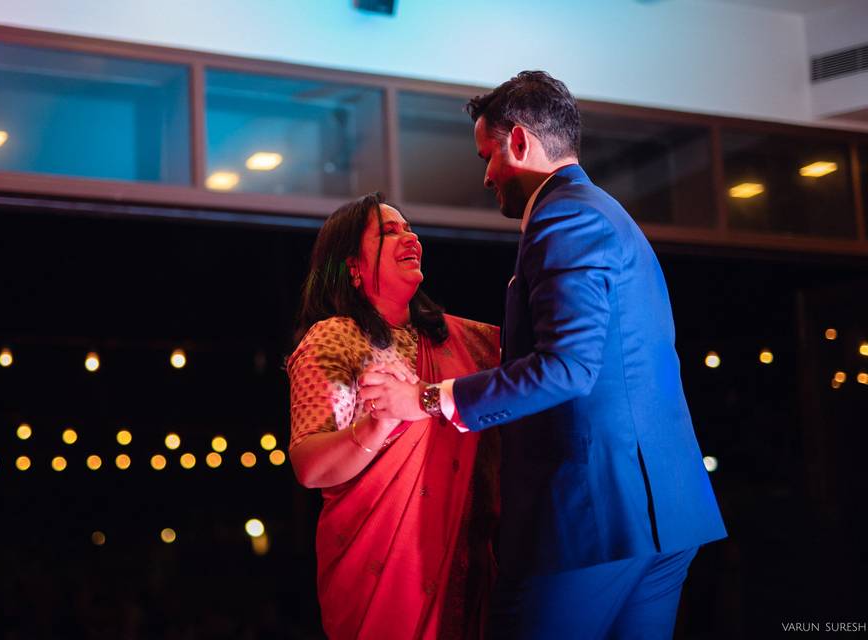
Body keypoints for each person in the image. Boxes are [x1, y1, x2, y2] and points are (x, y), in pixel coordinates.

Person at [358, 71, 727, 639]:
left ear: (521, 142)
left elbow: (566, 367)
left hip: (591, 519)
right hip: (666, 516)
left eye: (488, 155)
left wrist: (427, 397)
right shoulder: (609, 214)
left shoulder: (564, 217)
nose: (487, 175)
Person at [286, 192, 501, 639]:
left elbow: (534, 376)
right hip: (381, 569)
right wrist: (377, 425)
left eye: (408, 227)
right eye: (389, 231)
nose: (410, 237)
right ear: (352, 266)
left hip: (470, 555)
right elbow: (310, 465)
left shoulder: (466, 341)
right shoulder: (336, 338)